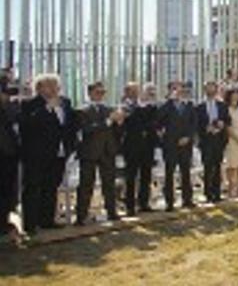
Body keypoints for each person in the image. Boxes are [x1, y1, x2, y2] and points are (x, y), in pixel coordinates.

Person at [19, 73, 77, 234]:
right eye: (49, 85)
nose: (54, 89)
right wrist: (47, 108)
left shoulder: (65, 102)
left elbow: (71, 124)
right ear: (39, 88)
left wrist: (70, 146)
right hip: (36, 155)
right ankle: (30, 224)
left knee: (51, 187)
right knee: (33, 188)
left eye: (56, 86)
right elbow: (26, 125)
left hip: (58, 153)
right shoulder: (29, 104)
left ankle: (47, 220)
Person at [75, 81, 125, 225]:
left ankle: (112, 212)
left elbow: (116, 132)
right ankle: (81, 216)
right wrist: (108, 121)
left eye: (103, 92)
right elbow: (87, 130)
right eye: (98, 92)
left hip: (107, 151)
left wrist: (119, 123)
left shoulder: (109, 109)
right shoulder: (82, 110)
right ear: (90, 93)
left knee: (109, 183)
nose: (101, 95)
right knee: (86, 185)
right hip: (89, 152)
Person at [156, 81, 198, 211]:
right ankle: (169, 202)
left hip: (185, 144)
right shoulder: (165, 106)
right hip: (170, 145)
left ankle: (187, 199)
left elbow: (193, 124)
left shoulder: (189, 105)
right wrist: (169, 101)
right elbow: (158, 121)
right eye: (174, 89)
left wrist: (188, 137)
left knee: (185, 172)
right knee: (170, 173)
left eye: (180, 88)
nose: (178, 91)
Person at [120, 82, 158, 216]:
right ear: (127, 91)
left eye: (137, 90)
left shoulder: (144, 105)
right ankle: (130, 206)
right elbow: (127, 121)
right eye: (133, 90)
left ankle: (144, 203)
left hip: (147, 146)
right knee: (131, 176)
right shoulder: (125, 106)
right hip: (131, 147)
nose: (136, 92)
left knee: (145, 175)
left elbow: (153, 121)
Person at [197, 81, 229, 203]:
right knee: (207, 167)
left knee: (217, 166)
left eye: (213, 88)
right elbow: (196, 124)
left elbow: (227, 119)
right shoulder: (199, 106)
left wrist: (222, 123)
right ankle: (208, 193)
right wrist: (205, 128)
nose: (211, 91)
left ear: (216, 90)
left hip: (219, 140)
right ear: (205, 90)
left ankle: (217, 192)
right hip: (206, 140)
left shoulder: (222, 105)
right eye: (208, 88)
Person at [0, 78, 21, 242]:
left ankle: (4, 222)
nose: (8, 97)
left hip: (9, 154)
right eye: (5, 93)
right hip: (5, 152)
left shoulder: (9, 108)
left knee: (8, 191)